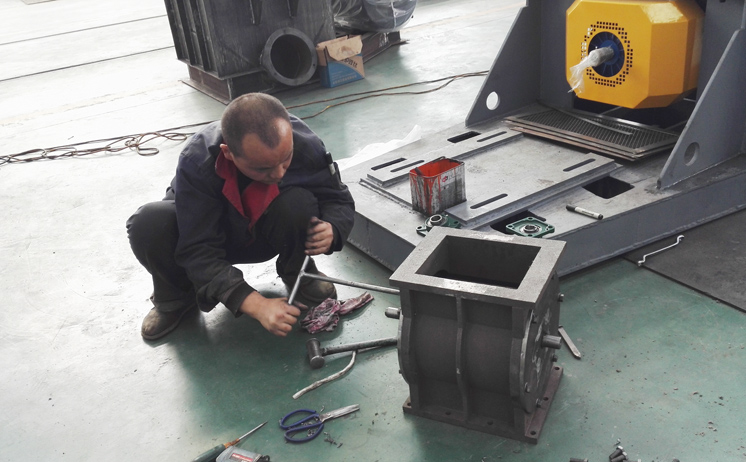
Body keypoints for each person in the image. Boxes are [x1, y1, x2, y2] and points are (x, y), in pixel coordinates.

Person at [126, 93, 355, 340]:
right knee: (149, 223)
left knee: (299, 203)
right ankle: (174, 298)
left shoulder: (304, 143)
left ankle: (299, 272)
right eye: (263, 168)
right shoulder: (196, 161)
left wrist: (333, 228)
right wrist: (255, 304)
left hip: (264, 235)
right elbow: (197, 249)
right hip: (215, 239)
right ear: (228, 153)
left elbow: (337, 198)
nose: (279, 173)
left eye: (286, 159)